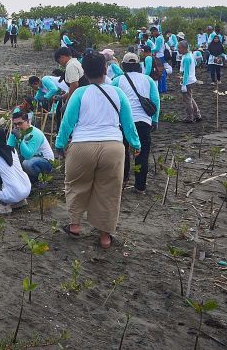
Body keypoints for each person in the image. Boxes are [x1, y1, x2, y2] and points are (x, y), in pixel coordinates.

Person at [55, 52, 140, 249]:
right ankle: (104, 237)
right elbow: (128, 124)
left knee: (76, 185)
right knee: (109, 192)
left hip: (82, 146)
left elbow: (67, 123)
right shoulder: (117, 93)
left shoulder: (78, 93)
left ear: (84, 71)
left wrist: (59, 145)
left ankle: (75, 225)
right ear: (105, 70)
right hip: (113, 147)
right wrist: (136, 145)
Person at [114, 53, 160, 193]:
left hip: (124, 123)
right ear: (138, 64)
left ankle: (123, 181)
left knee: (123, 152)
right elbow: (155, 100)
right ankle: (140, 186)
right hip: (144, 121)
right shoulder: (148, 80)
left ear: (124, 65)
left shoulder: (117, 80)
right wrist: (155, 120)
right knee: (143, 154)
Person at [9, 110, 55, 186]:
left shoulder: (35, 134)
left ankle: (39, 180)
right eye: (15, 124)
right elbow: (9, 148)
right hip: (29, 159)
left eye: (20, 123)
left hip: (45, 161)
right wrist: (12, 135)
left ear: (27, 122)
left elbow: (28, 155)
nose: (17, 126)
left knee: (27, 164)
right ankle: (29, 179)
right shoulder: (17, 131)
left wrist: (20, 139)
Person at [178, 41, 201, 123]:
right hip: (191, 79)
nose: (178, 49)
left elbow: (186, 72)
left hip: (188, 81)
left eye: (179, 48)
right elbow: (195, 64)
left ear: (184, 48)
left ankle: (190, 117)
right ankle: (197, 114)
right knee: (190, 98)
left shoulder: (187, 58)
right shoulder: (189, 55)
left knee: (187, 100)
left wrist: (184, 84)